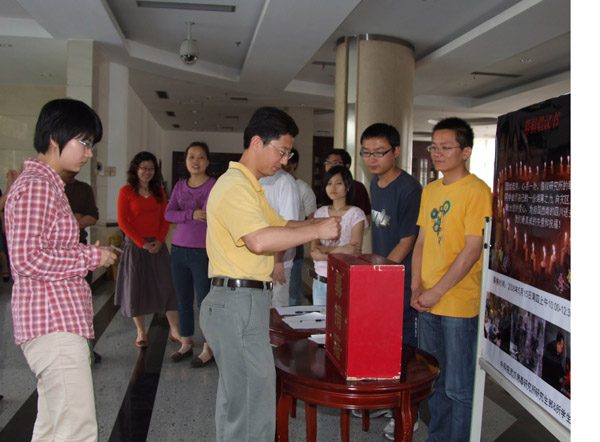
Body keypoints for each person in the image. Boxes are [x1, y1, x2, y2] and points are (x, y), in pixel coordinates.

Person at [199, 106, 340, 442]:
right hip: (239, 301)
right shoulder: (235, 186)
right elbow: (260, 240)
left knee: (239, 403)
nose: (284, 160)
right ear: (257, 142)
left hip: (241, 301)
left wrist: (316, 223)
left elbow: (282, 225)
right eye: (281, 151)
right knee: (253, 407)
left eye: (288, 153)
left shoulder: (250, 187)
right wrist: (315, 231)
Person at [4, 98, 116, 442]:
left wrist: (87, 253)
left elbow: (45, 248)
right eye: (84, 142)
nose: (89, 153)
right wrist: (90, 258)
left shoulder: (47, 184)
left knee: (52, 427)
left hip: (55, 320)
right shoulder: (37, 185)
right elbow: (26, 258)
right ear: (55, 138)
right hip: (53, 324)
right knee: (76, 430)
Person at [411, 117, 492, 442]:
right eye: (434, 147)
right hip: (427, 299)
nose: (437, 153)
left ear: (466, 151)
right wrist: (416, 286)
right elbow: (421, 241)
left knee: (458, 387)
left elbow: (472, 250)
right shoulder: (430, 190)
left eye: (446, 147)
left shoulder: (477, 191)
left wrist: (437, 291)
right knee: (435, 381)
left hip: (458, 303)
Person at [358, 123, 422, 435]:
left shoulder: (410, 190)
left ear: (395, 151)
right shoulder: (375, 183)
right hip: (383, 278)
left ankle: (407, 413)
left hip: (401, 282)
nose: (372, 159)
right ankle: (385, 399)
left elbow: (407, 241)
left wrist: (381, 276)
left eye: (379, 152)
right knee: (383, 345)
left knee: (404, 349)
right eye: (366, 152)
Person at [114, 151, 182, 349]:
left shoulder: (159, 191)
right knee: (136, 289)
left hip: (157, 246)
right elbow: (123, 221)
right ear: (135, 169)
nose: (147, 172)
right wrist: (141, 243)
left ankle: (175, 330)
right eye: (143, 168)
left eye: (151, 168)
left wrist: (159, 241)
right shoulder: (126, 191)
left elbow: (165, 219)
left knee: (167, 286)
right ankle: (141, 331)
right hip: (135, 247)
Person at [164, 141, 216, 367]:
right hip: (178, 250)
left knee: (204, 301)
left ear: (207, 161)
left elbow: (211, 215)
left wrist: (186, 214)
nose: (195, 161)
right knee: (183, 300)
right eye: (191, 157)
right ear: (185, 161)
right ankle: (186, 341)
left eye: (200, 157)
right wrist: (191, 214)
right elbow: (168, 214)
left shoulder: (214, 186)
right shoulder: (179, 186)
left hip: (202, 251)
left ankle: (208, 347)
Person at [60, 169, 104, 363]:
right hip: (57, 254)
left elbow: (93, 217)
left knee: (83, 306)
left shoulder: (84, 189)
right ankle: (64, 352)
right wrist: (76, 219)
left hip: (80, 249)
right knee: (62, 307)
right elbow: (50, 225)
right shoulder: (49, 187)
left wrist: (68, 222)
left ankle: (86, 349)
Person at [310, 165, 366, 305]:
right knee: (319, 318)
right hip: (320, 280)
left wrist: (324, 251)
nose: (333, 187)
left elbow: (354, 252)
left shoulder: (356, 214)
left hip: (343, 280)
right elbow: (314, 252)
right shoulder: (320, 213)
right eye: (329, 183)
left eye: (339, 183)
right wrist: (343, 250)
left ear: (348, 187)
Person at [259, 167, 300, 307]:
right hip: (256, 264)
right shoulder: (252, 179)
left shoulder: (285, 181)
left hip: (278, 263)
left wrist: (278, 260)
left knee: (277, 310)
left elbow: (287, 227)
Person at [282, 148, 317, 305]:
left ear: (294, 164)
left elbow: (312, 219)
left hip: (295, 244)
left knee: (293, 288)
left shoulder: (303, 188)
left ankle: (293, 317)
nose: (284, 164)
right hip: (273, 240)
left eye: (288, 162)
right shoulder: (272, 184)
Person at [324, 148, 371, 223]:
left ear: (347, 165)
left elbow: (366, 217)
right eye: (327, 163)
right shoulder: (326, 187)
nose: (330, 166)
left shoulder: (357, 187)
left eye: (335, 162)